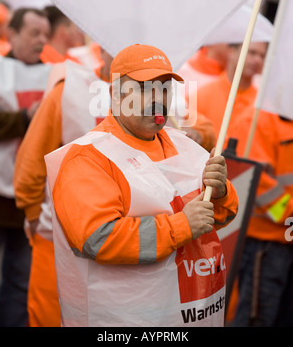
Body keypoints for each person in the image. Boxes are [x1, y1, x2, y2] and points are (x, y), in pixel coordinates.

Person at [45, 44, 238, 327]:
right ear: (115, 94)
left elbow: (221, 214)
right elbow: (98, 238)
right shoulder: (88, 157)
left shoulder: (184, 145)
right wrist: (182, 226)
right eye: (146, 89)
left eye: (164, 89)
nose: (158, 99)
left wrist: (221, 192)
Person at [13, 48, 113, 327]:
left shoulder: (157, 94)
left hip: (120, 244)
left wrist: (200, 133)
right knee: (49, 317)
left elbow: (197, 126)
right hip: (58, 236)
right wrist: (34, 214)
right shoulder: (70, 89)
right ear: (102, 49)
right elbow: (32, 157)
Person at [0, 7, 51, 327]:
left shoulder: (57, 76)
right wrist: (26, 117)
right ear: (12, 34)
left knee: (19, 282)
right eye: (33, 33)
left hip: (30, 202)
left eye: (45, 33)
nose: (41, 40)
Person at [229, 108, 293, 327]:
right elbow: (258, 184)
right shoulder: (257, 120)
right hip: (263, 245)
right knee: (256, 318)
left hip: (283, 241)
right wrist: (288, 212)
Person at [193, 41, 268, 145]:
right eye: (252, 52)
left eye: (262, 56)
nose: (257, 60)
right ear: (231, 51)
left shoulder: (263, 105)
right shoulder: (199, 97)